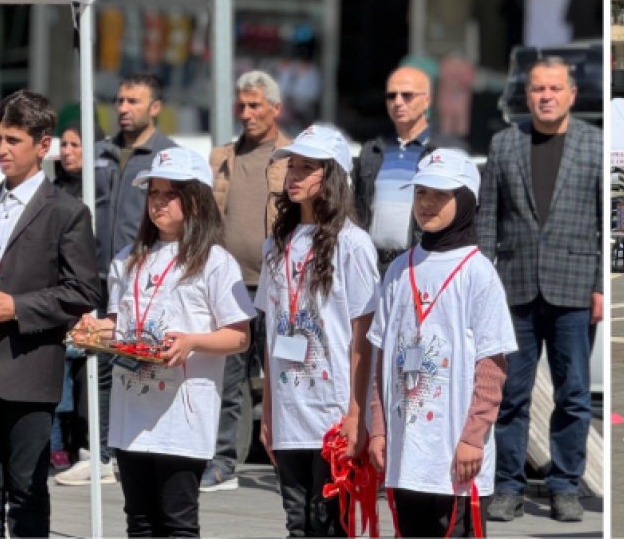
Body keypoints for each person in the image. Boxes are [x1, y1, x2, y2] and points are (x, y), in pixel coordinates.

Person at [72, 146, 255, 537]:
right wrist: (94, 330)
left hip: (182, 415)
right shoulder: (127, 257)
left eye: (169, 194)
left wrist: (192, 342)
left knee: (177, 522)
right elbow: (119, 325)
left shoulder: (215, 261)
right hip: (131, 410)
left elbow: (239, 336)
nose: (158, 203)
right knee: (138, 520)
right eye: (153, 194)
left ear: (195, 199)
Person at [0, 90, 101, 537]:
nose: (0, 149)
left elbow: (83, 289)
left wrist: (16, 307)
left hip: (29, 368)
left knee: (26, 491)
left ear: (43, 146)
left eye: (13, 140)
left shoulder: (67, 212)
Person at [367, 148, 517, 537]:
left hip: (454, 454)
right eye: (420, 194)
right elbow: (381, 356)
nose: (427, 204)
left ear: (465, 200)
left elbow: (492, 365)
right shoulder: (399, 269)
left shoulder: (478, 272)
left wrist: (472, 436)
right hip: (405, 455)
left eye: (440, 195)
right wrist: (379, 427)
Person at [480, 57, 601, 523]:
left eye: (554, 88)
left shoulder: (593, 144)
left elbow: (600, 223)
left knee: (573, 394)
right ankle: (508, 485)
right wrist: (485, 285)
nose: (545, 96)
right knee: (511, 394)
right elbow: (488, 219)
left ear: (571, 93)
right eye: (537, 89)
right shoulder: (504, 144)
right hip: (514, 288)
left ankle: (564, 486)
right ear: (527, 96)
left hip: (573, 289)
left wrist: (599, 287)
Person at [258, 125, 379, 536]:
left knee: (330, 524)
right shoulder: (276, 244)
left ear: (331, 177)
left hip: (332, 411)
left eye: (306, 168)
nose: (293, 175)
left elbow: (364, 335)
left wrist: (356, 412)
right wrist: (269, 411)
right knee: (298, 523)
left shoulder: (354, 244)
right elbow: (271, 335)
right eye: (292, 166)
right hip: (289, 408)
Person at [61, 73, 178, 487]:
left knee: (135, 362)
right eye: (120, 100)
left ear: (155, 108)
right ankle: (97, 452)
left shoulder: (167, 156)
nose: (124, 108)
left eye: (133, 101)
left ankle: (125, 449)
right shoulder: (100, 153)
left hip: (145, 277)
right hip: (94, 274)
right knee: (93, 362)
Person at [203, 70, 293, 492]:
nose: (246, 113)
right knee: (230, 378)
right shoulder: (222, 157)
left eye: (255, 105)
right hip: (232, 285)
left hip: (279, 286)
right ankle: (223, 462)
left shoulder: (294, 156)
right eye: (242, 105)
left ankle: (291, 461)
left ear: (276, 108)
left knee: (285, 374)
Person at [352, 66, 469, 273]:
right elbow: (356, 211)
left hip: (425, 266)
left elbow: (467, 217)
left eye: (407, 95)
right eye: (391, 96)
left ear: (427, 100)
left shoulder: (448, 152)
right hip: (372, 267)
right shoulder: (372, 151)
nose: (398, 102)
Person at [52, 116, 103, 472]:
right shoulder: (53, 188)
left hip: (91, 290)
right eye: (64, 145)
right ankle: (60, 443)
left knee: (88, 370)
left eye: (75, 145)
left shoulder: (99, 190)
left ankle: (88, 443)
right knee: (62, 370)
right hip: (56, 291)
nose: (68, 152)